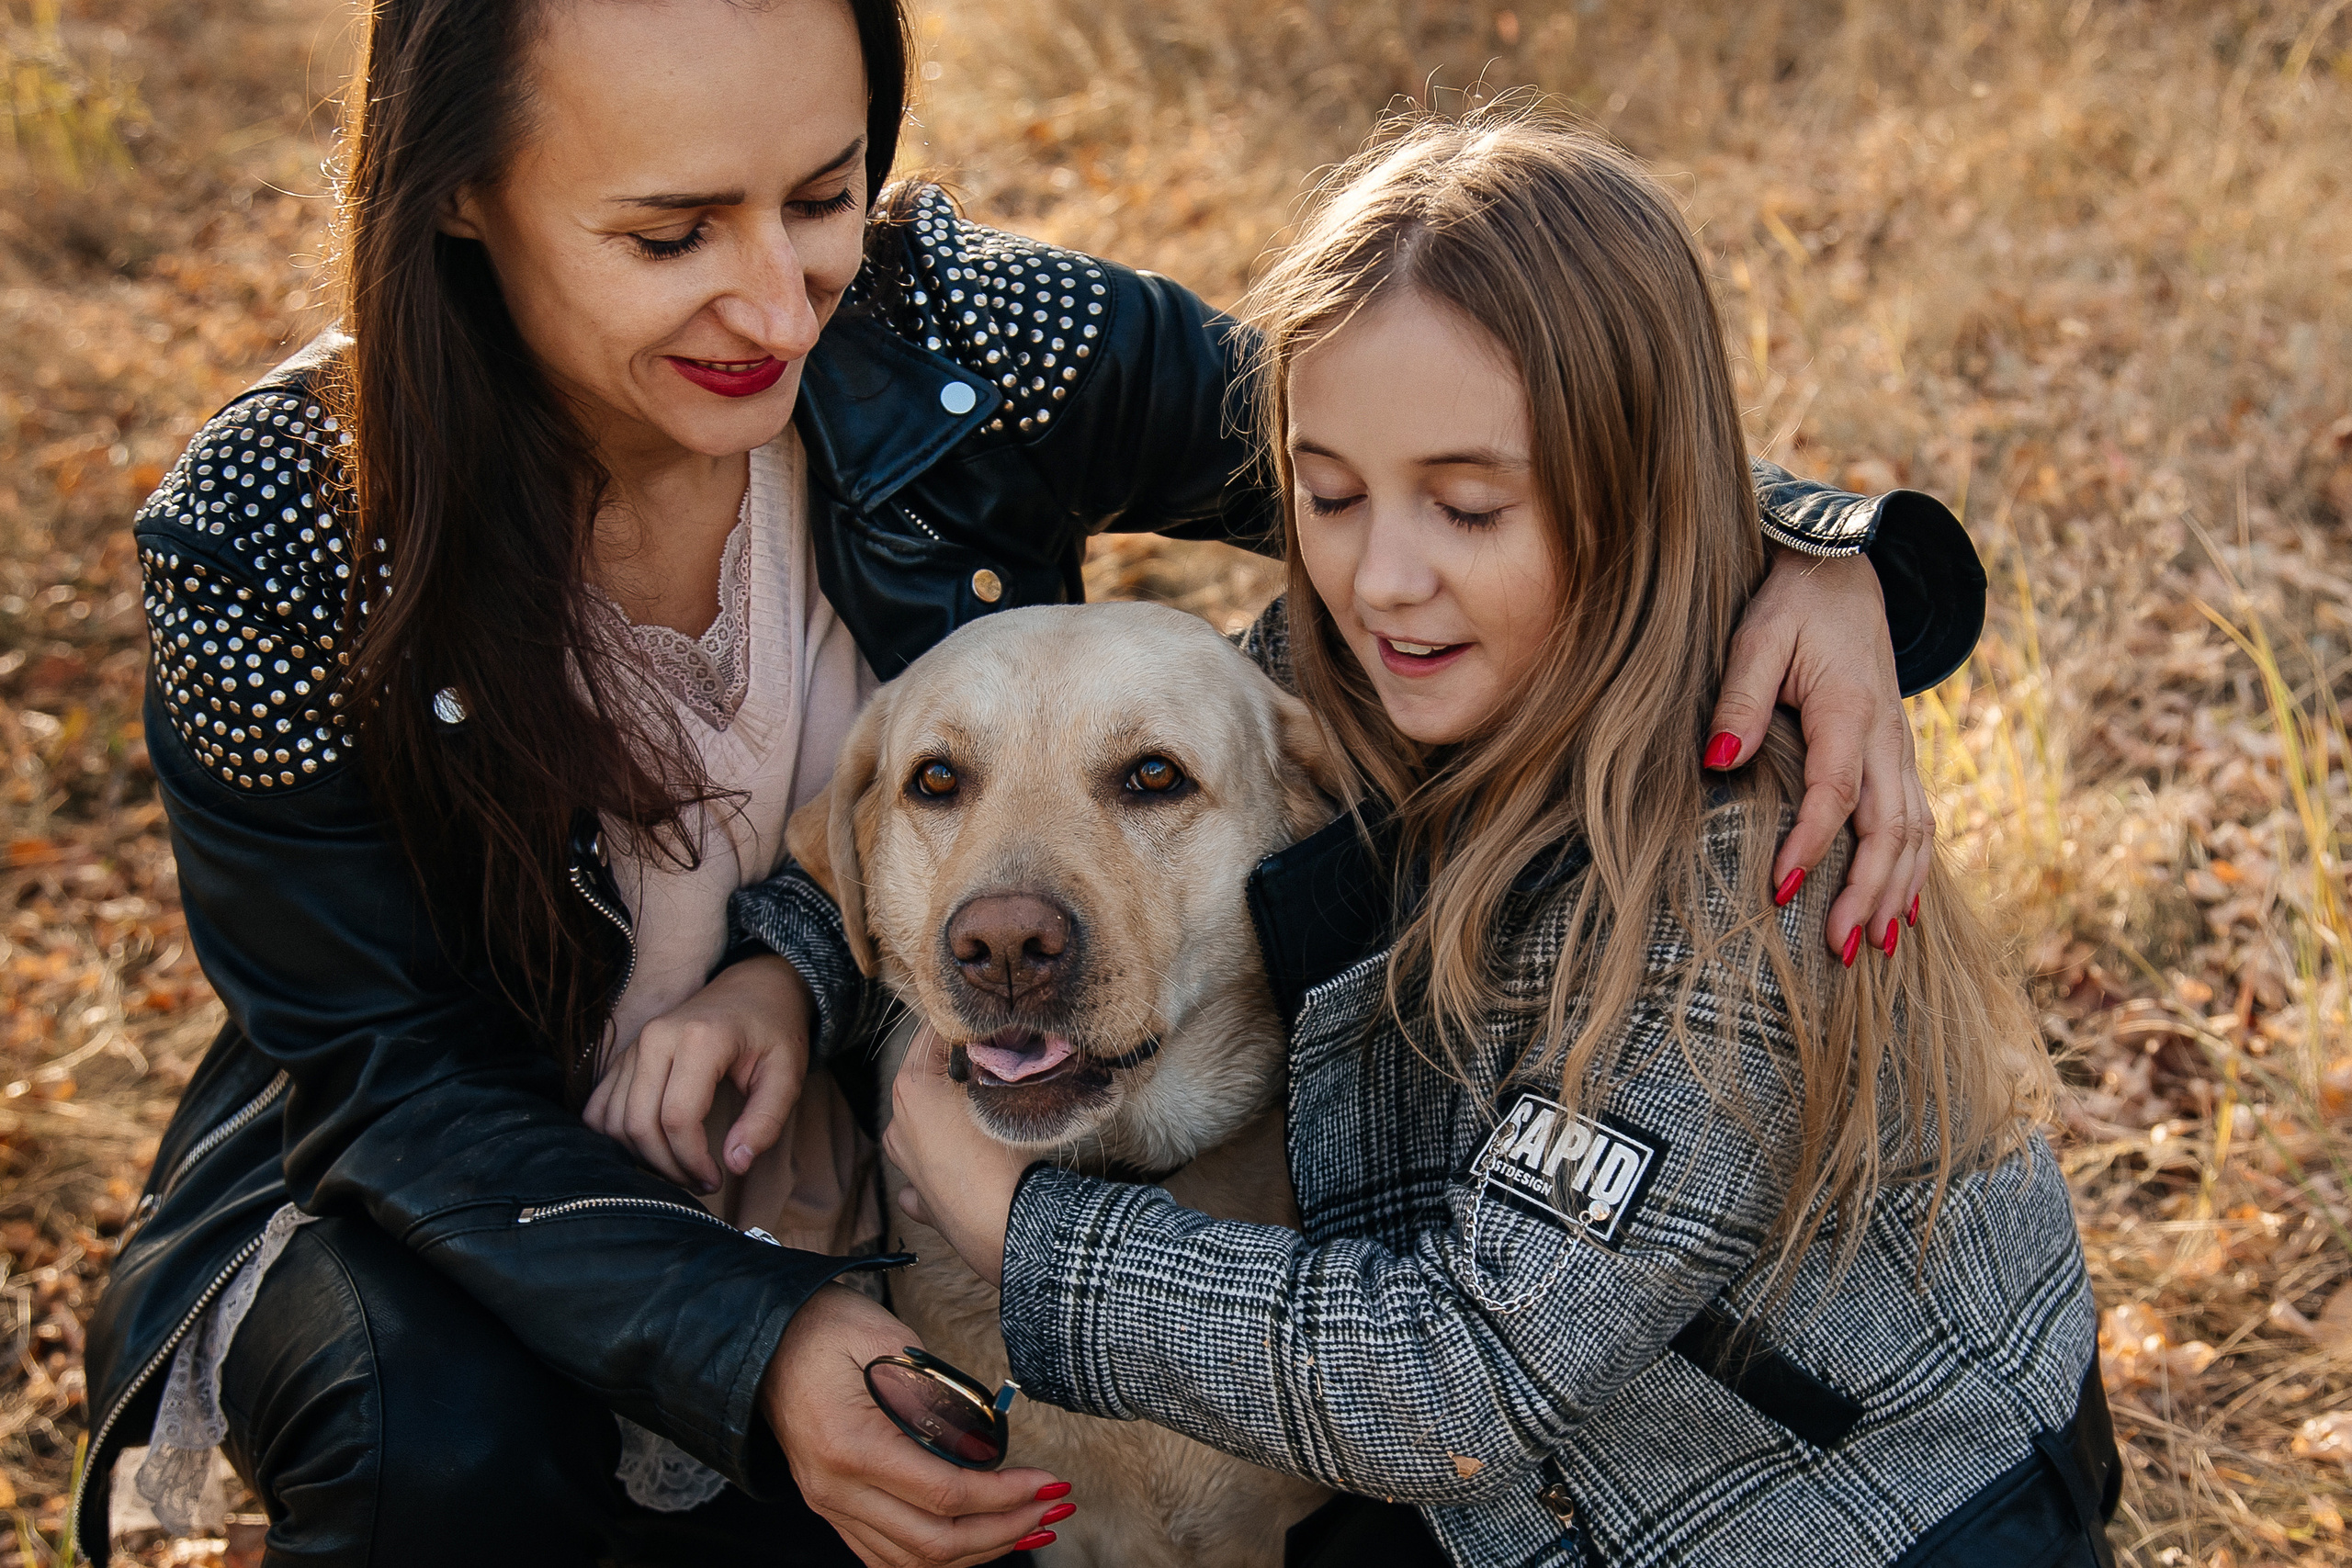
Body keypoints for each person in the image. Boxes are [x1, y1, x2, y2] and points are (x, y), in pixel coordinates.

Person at [79, 0, 1983, 1558]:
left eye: (821, 195)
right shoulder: (274, 531)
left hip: (914, 1144)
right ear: (460, 192)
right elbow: (385, 1080)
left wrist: (1810, 555)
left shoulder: (956, 336)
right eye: (669, 236)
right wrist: (755, 1344)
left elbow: (1434, 428)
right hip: (490, 1200)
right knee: (442, 1431)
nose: (778, 302)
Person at [879, 109, 2112, 1567]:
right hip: (1520, 1493)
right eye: (1328, 496)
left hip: (1844, 1523)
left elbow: (1456, 1387)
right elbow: (1014, 796)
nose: (1381, 580)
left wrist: (1022, 1237)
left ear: (1634, 502)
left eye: (1467, 507)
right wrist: (786, 963)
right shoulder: (1373, 671)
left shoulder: (1744, 885)